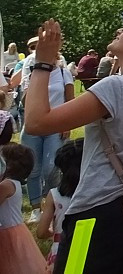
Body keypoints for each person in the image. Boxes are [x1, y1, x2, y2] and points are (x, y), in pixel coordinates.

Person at [25, 16, 123, 274]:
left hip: (94, 215)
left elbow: (36, 122)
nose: (120, 29)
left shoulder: (115, 86)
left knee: (73, 270)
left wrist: (43, 62)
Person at [12, 32, 74, 223]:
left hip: (55, 123)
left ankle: (51, 204)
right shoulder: (31, 69)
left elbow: (70, 100)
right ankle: (36, 208)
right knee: (33, 169)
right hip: (33, 127)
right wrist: (31, 83)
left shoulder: (64, 72)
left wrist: (68, 125)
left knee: (51, 168)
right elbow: (24, 99)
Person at [0, 143, 48, 274]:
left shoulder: (6, 185)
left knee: (11, 265)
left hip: (7, 233)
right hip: (15, 230)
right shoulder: (13, 183)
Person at [37, 137, 82, 270]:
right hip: (83, 248)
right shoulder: (93, 194)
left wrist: (54, 233)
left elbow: (41, 232)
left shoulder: (54, 195)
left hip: (59, 248)